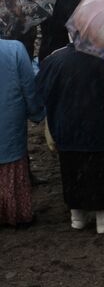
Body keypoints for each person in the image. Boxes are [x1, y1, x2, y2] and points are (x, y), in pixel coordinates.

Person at [36, 43, 104, 234]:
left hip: (67, 129)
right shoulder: (103, 60)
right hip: (97, 129)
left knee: (71, 173)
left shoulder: (54, 60)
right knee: (101, 174)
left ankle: (77, 218)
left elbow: (42, 91)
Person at [0, 37, 43, 227]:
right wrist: (36, 111)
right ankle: (17, 213)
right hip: (9, 117)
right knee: (13, 165)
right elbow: (29, 85)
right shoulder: (15, 49)